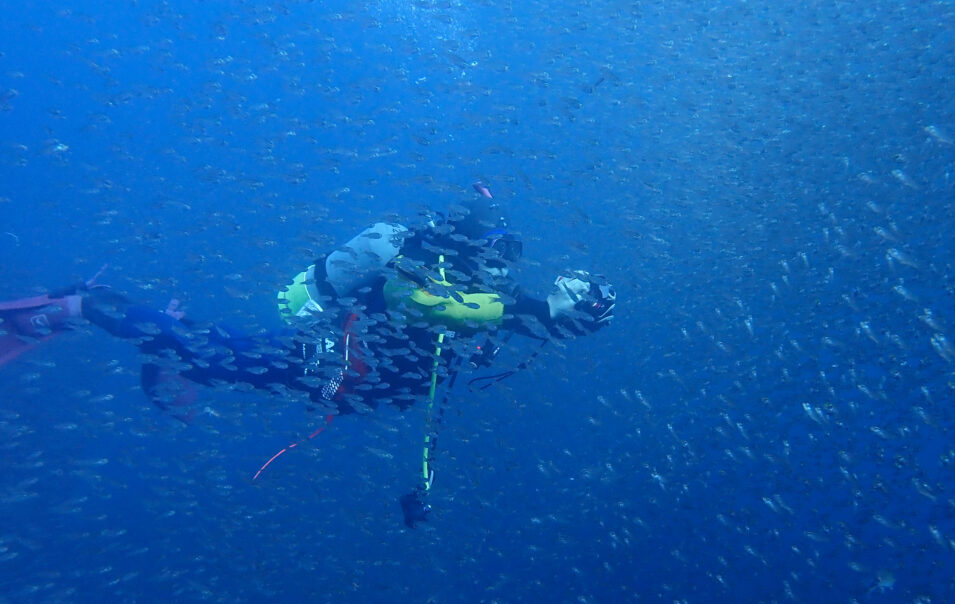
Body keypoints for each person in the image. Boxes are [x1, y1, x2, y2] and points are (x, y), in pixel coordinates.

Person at [0, 183, 615, 524]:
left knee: (225, 359)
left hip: (335, 377)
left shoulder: (481, 288)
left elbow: (493, 319)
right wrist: (530, 310)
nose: (504, 261)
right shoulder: (419, 268)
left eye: (508, 251)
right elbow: (431, 308)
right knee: (218, 362)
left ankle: (169, 336)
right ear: (470, 240)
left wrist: (568, 318)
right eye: (498, 246)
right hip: (326, 367)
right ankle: (85, 308)